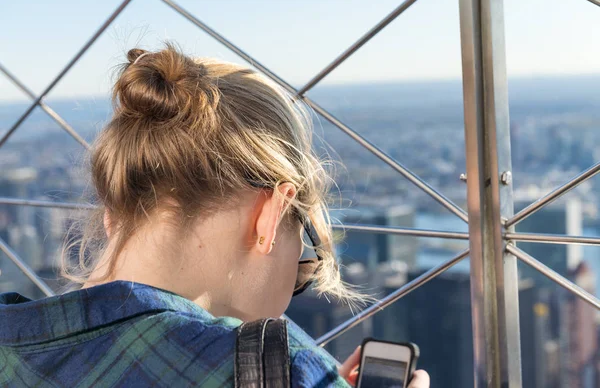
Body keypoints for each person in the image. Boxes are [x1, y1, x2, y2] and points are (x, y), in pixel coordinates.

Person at [0, 45, 429, 388]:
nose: (287, 301)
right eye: (303, 269)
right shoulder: (281, 369)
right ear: (269, 215)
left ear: (114, 215)